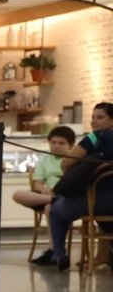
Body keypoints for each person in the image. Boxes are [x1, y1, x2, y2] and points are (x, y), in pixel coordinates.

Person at [45, 102, 113, 272]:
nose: (94, 122)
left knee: (56, 210)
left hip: (97, 199)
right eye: (93, 117)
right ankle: (106, 257)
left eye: (100, 117)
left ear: (112, 121)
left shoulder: (95, 137)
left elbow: (67, 163)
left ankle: (59, 255)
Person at [15, 126, 74, 267]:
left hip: (67, 196)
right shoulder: (44, 159)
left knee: (49, 208)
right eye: (53, 142)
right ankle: (53, 200)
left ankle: (53, 251)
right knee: (17, 195)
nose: (56, 146)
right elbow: (37, 184)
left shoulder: (73, 159)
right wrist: (44, 190)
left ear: (70, 145)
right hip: (46, 195)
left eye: (61, 143)